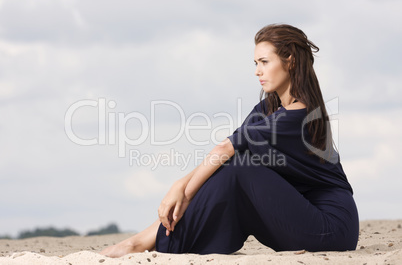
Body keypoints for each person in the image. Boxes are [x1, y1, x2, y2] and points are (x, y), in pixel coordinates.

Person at [100, 23, 359, 258]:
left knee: (239, 166)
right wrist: (181, 185)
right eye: (255, 63)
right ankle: (147, 240)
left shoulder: (299, 116)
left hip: (330, 227)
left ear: (290, 61)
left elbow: (226, 149)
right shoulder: (269, 107)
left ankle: (144, 242)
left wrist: (185, 194)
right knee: (234, 163)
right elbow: (227, 150)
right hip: (300, 215)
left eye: (264, 62)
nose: (257, 71)